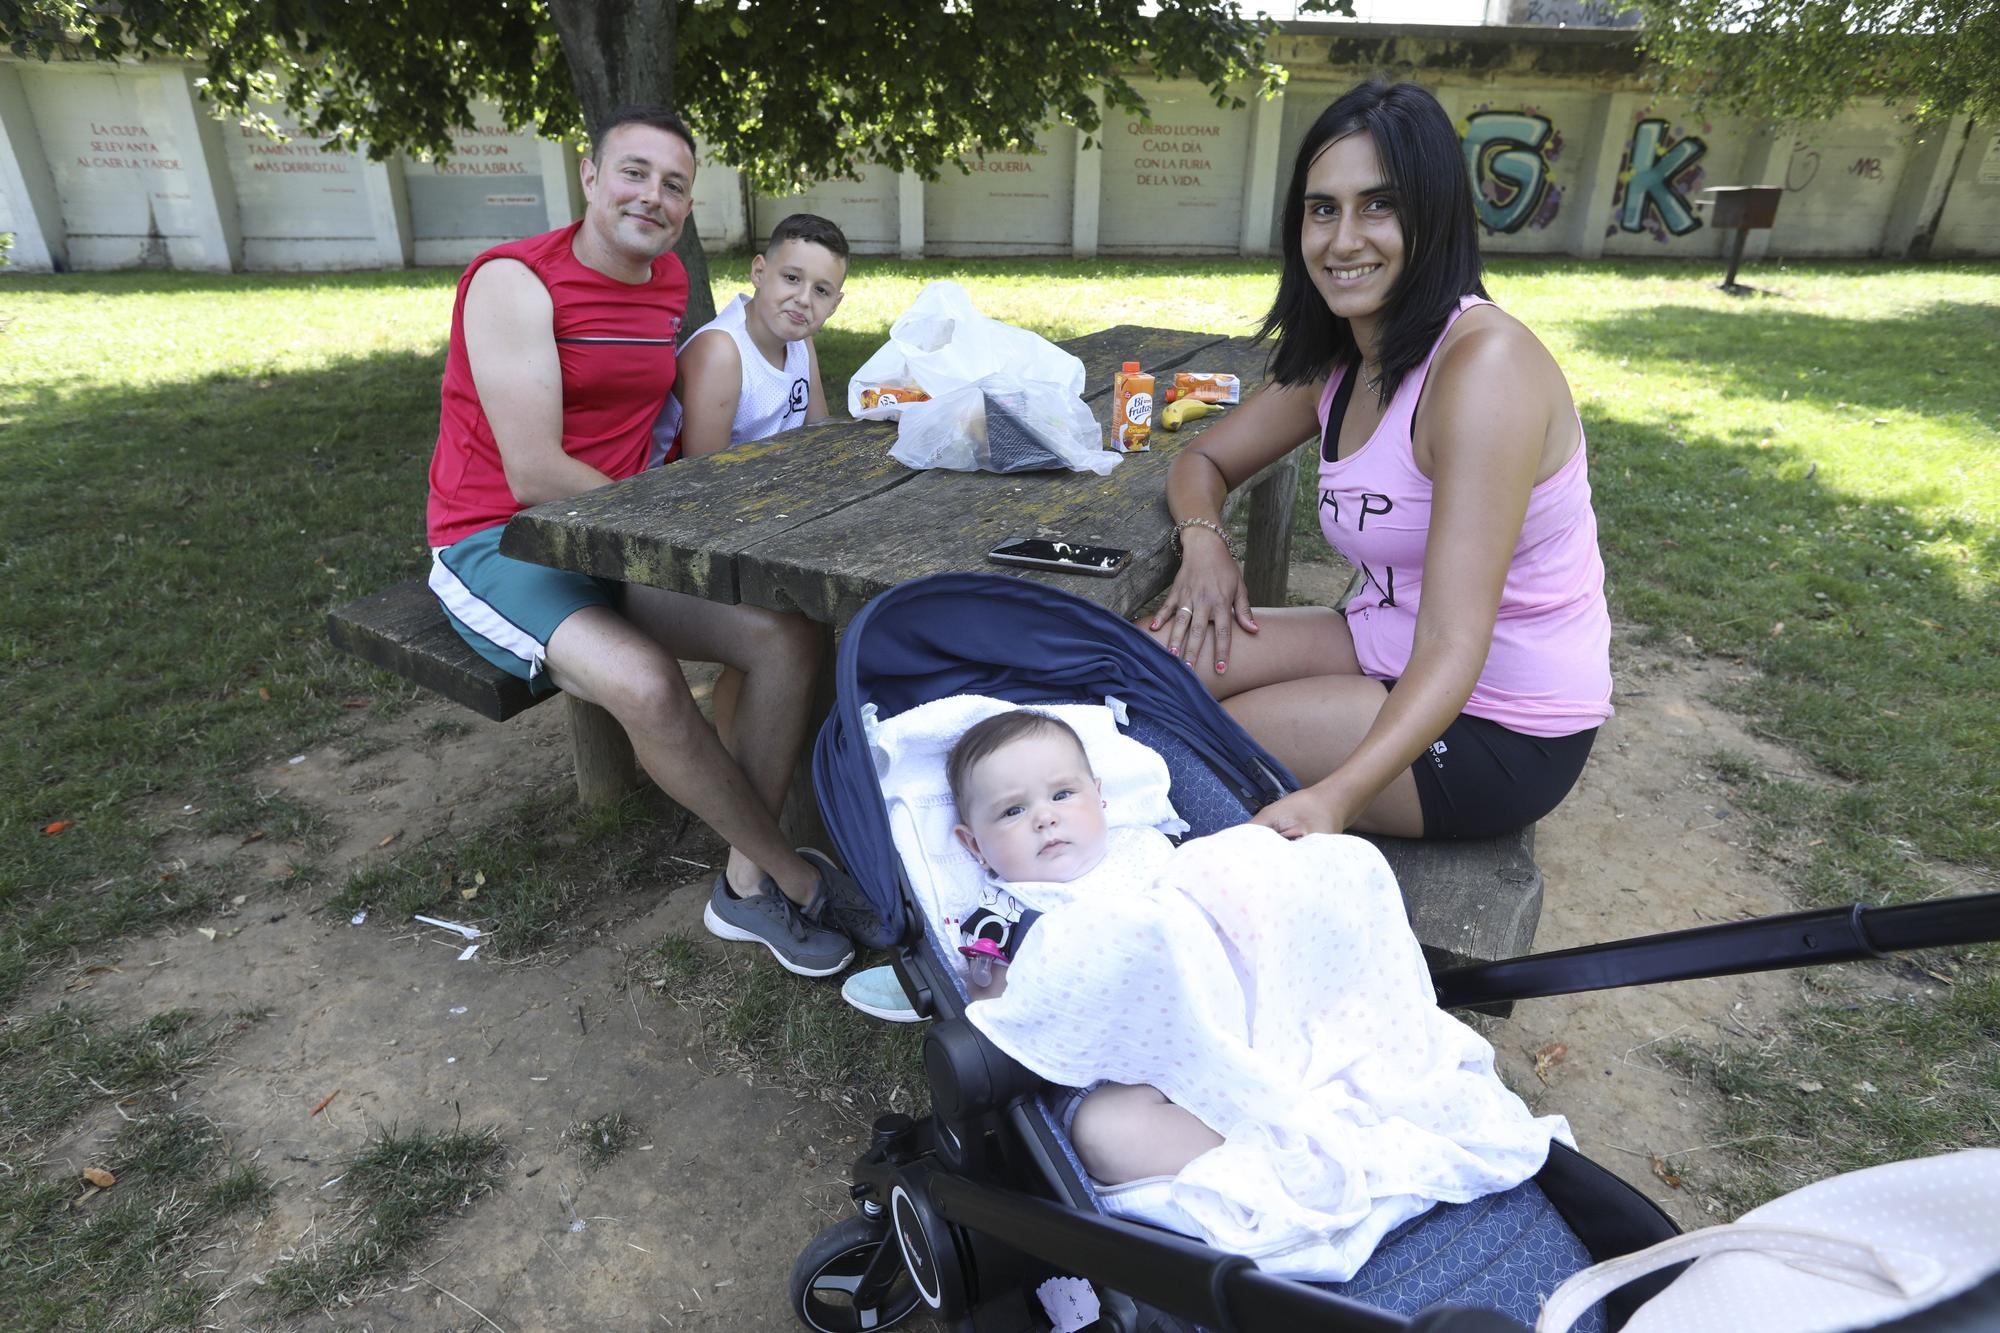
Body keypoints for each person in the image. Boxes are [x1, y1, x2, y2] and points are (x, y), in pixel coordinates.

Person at [423, 104, 885, 979]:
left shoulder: (665, 282)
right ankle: (792, 873)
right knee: (647, 682)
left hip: (618, 539)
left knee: (789, 635)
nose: (653, 196)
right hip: (503, 543)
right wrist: (673, 531)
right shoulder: (513, 280)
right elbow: (533, 473)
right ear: (590, 178)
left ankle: (743, 878)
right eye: (633, 172)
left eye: (674, 184)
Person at [1152, 79, 1612, 843]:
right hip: (1383, 641)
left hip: (1500, 721)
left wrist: (1336, 798)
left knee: (1197, 741)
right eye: (1322, 208)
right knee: (1141, 666)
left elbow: (1455, 643)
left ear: (1432, 215)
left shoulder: (1483, 370)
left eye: (1379, 205)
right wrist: (1203, 540)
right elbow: (1205, 458)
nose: (1342, 240)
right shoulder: (1345, 355)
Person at [944, 710, 1222, 1185]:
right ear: (974, 846)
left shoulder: (1147, 850)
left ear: (1100, 796)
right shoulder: (1004, 913)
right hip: (1114, 1073)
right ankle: (1253, 1153)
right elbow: (997, 1014)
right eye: (1013, 811)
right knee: (1103, 1133)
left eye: (1062, 794)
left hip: (1213, 1022)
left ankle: (1274, 1102)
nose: (1044, 817)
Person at [670, 213, 848, 753]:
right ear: (759, 271)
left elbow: (815, 432)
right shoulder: (723, 352)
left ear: (836, 304)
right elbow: (704, 482)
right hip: (697, 536)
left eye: (821, 291)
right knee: (784, 627)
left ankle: (798, 747)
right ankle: (742, 758)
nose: (802, 300)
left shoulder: (799, 342)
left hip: (768, 519)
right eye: (791, 279)